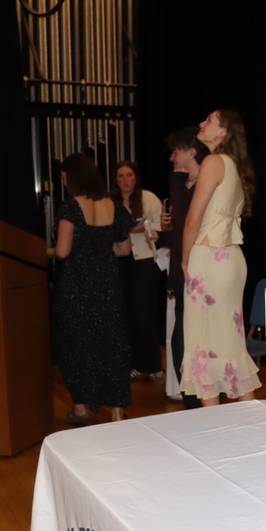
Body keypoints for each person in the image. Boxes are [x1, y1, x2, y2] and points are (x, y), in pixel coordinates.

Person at [179, 109, 260, 405]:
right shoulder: (234, 164)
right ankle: (249, 422)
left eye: (209, 121)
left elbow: (193, 220)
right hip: (231, 258)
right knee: (229, 345)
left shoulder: (213, 162)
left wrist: (186, 260)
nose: (202, 123)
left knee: (203, 346)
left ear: (223, 132)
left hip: (208, 257)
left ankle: (215, 427)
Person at [52, 153, 135, 424]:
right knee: (112, 345)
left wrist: (45, 250)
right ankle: (117, 412)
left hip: (76, 287)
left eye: (65, 177)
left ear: (73, 177)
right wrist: (99, 250)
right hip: (108, 286)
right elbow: (124, 249)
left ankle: (81, 408)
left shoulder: (71, 207)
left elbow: (63, 251)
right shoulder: (115, 206)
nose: (64, 182)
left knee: (76, 346)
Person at [158, 127, 210, 410]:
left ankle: (199, 406)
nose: (171, 158)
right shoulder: (187, 187)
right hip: (183, 275)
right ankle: (193, 406)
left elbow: (196, 227)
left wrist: (176, 181)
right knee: (180, 346)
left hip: (197, 275)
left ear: (191, 152)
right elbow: (183, 232)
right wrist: (165, 231)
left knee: (191, 346)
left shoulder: (198, 185)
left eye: (175, 152)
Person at [111, 160, 165, 381]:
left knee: (145, 315)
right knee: (124, 315)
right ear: (116, 180)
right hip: (119, 261)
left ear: (136, 177)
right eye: (121, 176)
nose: (125, 180)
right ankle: (129, 364)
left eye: (129, 175)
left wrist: (142, 227)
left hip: (144, 261)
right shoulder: (110, 202)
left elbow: (161, 226)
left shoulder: (148, 198)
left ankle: (152, 365)